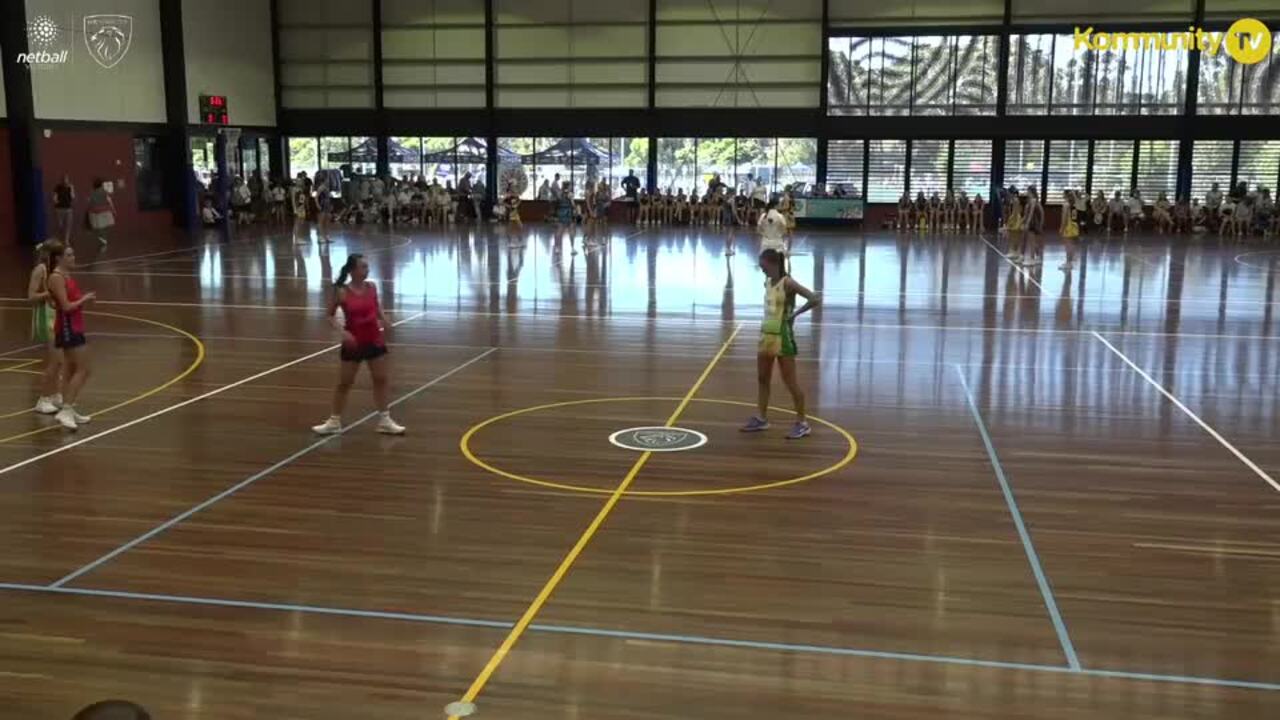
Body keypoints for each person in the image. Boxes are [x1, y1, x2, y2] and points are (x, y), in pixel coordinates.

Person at [312, 254, 405, 436]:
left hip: (374, 340)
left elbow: (376, 307)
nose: (367, 269)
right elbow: (330, 315)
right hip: (354, 343)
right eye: (363, 267)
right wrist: (343, 332)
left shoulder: (372, 287)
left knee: (380, 379)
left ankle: (385, 420)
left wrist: (385, 319)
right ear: (353, 270)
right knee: (345, 383)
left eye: (367, 267)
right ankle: (334, 421)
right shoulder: (341, 291)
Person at [740, 248, 820, 440]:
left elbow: (814, 298)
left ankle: (802, 423)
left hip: (783, 336)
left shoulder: (788, 283)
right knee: (762, 378)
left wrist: (795, 314)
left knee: (790, 382)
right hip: (766, 334)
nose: (762, 270)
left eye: (763, 266)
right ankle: (761, 418)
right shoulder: (767, 282)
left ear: (773, 264)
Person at [46, 243, 95, 431]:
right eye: (69, 255)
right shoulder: (56, 277)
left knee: (71, 368)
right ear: (58, 258)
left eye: (73, 254)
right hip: (67, 328)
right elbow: (66, 306)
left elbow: (56, 302)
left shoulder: (66, 276)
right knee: (84, 369)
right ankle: (66, 409)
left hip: (75, 325)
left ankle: (69, 407)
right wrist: (85, 299)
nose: (73, 258)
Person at [29, 240, 63, 414]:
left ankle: (56, 394)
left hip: (56, 316)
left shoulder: (56, 271)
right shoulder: (40, 270)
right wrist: (48, 293)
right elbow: (31, 295)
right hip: (45, 317)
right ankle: (43, 399)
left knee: (60, 360)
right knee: (54, 359)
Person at [85, 178, 115, 247]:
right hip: (105, 211)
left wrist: (90, 210)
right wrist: (113, 209)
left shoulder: (93, 193)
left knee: (100, 227)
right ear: (101, 185)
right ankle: (102, 237)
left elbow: (90, 202)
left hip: (97, 212)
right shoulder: (104, 192)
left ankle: (102, 237)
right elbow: (109, 201)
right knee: (106, 226)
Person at [1059, 189, 1080, 272]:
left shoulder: (1065, 205)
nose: (1062, 195)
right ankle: (1069, 262)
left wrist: (1062, 228)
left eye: (1063, 193)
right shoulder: (1074, 205)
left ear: (1066, 195)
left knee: (1068, 245)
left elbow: (1064, 218)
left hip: (1068, 226)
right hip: (1074, 225)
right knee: (1071, 245)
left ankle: (1068, 263)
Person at [52, 175, 75, 243]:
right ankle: (60, 238)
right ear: (61, 180)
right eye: (64, 179)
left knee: (68, 225)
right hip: (59, 208)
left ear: (68, 180)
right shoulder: (58, 187)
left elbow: (73, 197)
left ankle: (66, 240)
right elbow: (54, 196)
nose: (65, 181)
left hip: (68, 209)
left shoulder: (70, 187)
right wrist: (55, 200)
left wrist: (71, 189)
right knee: (60, 225)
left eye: (66, 180)